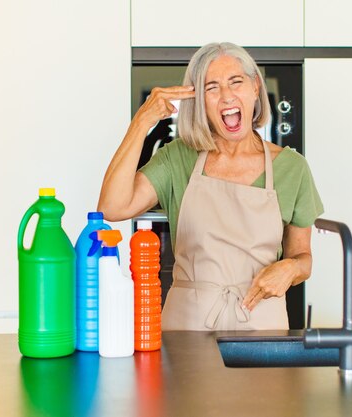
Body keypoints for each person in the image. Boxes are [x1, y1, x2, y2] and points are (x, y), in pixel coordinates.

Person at [98, 42, 323, 330]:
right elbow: (112, 207)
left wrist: (291, 268)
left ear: (255, 87)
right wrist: (142, 122)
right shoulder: (178, 157)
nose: (227, 96)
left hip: (262, 326)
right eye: (211, 88)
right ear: (199, 101)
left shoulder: (292, 168)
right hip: (187, 328)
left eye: (236, 82)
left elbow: (303, 258)